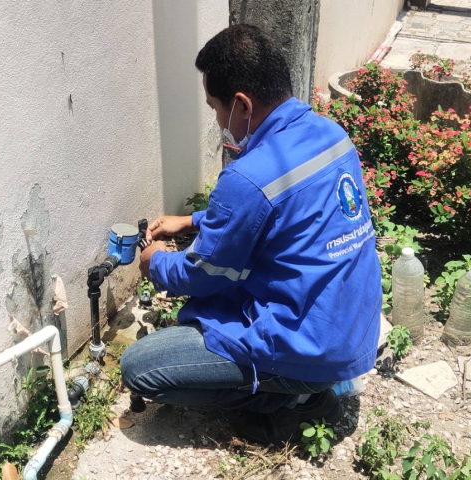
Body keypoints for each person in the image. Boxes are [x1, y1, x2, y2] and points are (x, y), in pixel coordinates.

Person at [120, 24, 382, 444]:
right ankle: (304, 382)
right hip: (352, 328)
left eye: (215, 108)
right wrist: (191, 221)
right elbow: (276, 211)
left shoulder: (247, 177)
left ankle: (291, 398)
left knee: (141, 368)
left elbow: (203, 274)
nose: (217, 120)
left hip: (312, 347)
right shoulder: (332, 136)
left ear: (242, 104)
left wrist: (156, 263)